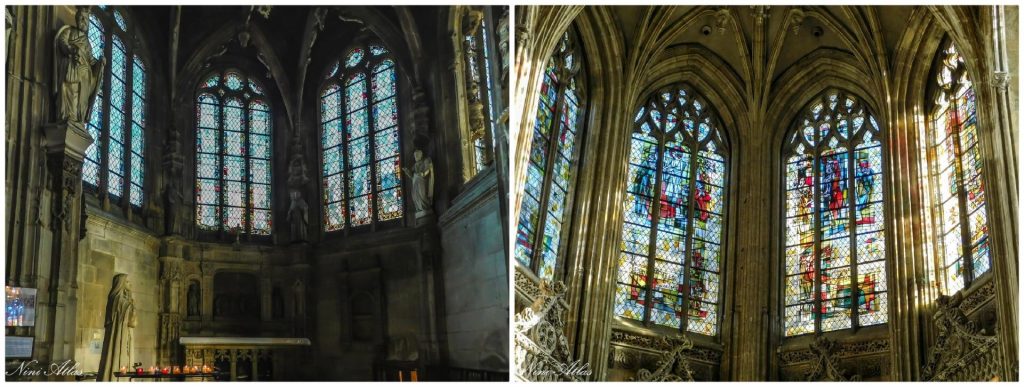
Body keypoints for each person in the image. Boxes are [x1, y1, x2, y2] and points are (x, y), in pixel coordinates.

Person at [54, 6, 105, 126]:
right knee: (70, 92)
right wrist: (72, 50)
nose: (84, 21)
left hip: (85, 76)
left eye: (86, 19)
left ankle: (78, 120)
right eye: (81, 18)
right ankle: (68, 117)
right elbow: (62, 42)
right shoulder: (69, 31)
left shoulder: (87, 43)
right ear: (77, 19)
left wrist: (100, 63)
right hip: (72, 68)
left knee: (80, 100)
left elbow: (91, 60)